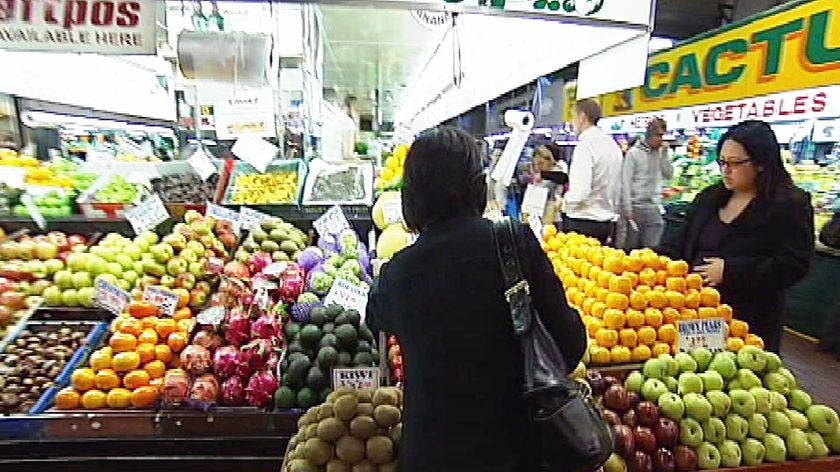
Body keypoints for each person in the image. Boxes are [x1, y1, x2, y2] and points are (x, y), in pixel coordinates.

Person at [366, 127, 586, 472]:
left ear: (411, 197)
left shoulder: (399, 274)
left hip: (431, 456)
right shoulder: (513, 243)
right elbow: (570, 346)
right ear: (477, 186)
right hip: (517, 452)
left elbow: (374, 318)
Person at [658, 120, 814, 353]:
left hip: (747, 322)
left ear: (761, 163)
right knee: (695, 371)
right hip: (695, 315)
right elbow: (678, 243)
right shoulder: (709, 198)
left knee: (730, 379)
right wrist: (653, 262)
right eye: (722, 162)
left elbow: (794, 264)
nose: (726, 170)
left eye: (735, 163)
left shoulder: (789, 205)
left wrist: (731, 271)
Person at [564, 99, 623, 245]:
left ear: (582, 117)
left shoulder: (585, 146)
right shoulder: (612, 145)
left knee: (576, 266)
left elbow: (580, 192)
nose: (572, 122)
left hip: (583, 224)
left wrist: (564, 201)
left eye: (573, 117)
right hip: (606, 223)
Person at [620, 117, 674, 249]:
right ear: (650, 134)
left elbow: (668, 174)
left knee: (652, 250)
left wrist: (665, 156)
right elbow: (625, 181)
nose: (661, 139)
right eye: (659, 135)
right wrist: (627, 208)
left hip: (653, 207)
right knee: (632, 249)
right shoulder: (634, 153)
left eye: (663, 135)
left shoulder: (660, 153)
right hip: (635, 206)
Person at [530, 144, 568, 224]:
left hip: (553, 216)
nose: (538, 166)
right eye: (535, 164)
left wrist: (543, 175)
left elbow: (563, 177)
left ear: (548, 160)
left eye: (541, 163)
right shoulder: (537, 174)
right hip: (537, 214)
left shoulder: (557, 170)